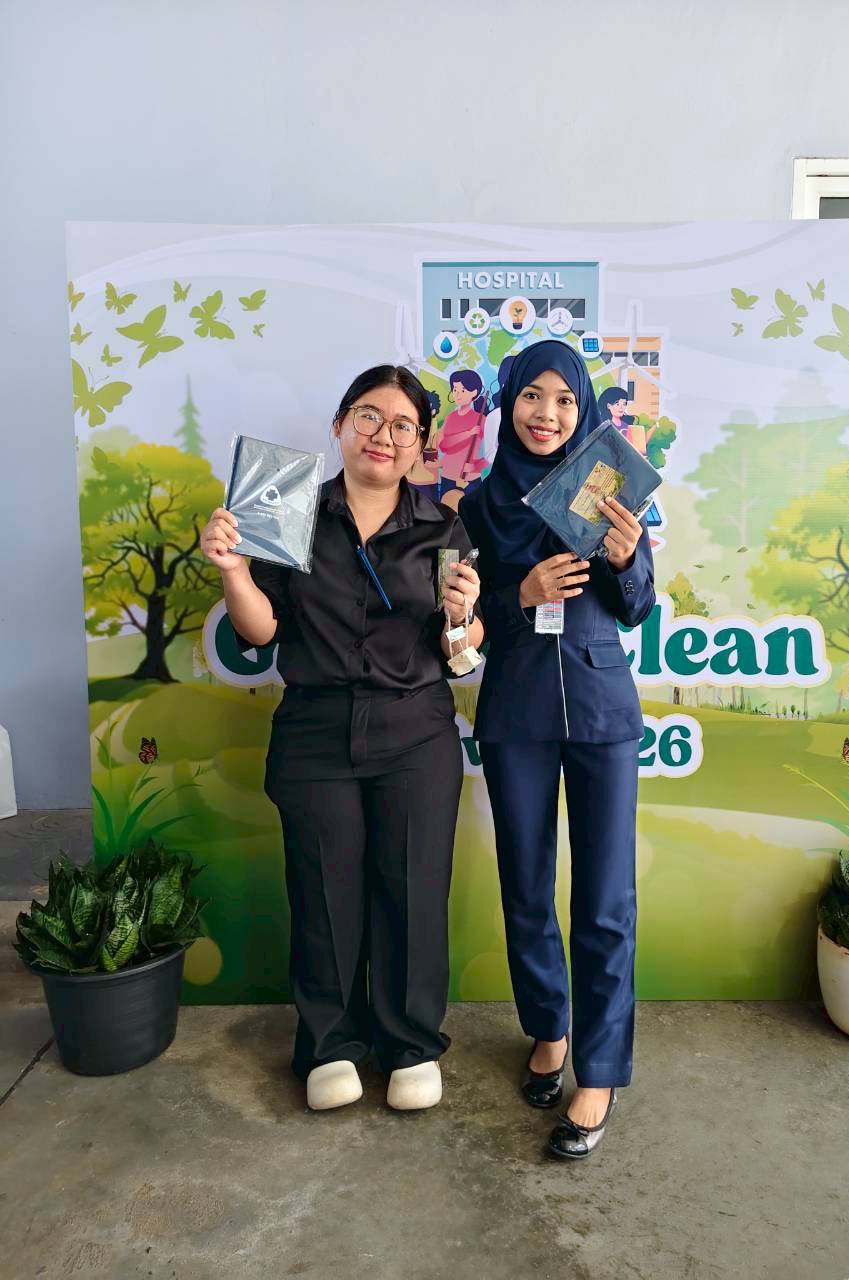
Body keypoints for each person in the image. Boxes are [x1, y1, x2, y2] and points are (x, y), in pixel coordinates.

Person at [201, 365, 483, 1114]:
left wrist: (463, 616)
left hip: (415, 730)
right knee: (324, 892)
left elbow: (461, 648)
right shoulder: (289, 511)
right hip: (316, 731)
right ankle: (328, 1044)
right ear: (339, 424)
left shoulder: (442, 528)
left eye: (402, 426)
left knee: (413, 891)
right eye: (368, 417)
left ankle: (411, 1044)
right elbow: (261, 631)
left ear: (421, 445)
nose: (383, 436)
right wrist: (233, 572)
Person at [459, 340, 656, 1160]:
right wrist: (521, 593)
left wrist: (627, 557)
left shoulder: (606, 486)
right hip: (516, 709)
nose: (547, 414)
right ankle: (548, 1030)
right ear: (509, 403)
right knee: (527, 890)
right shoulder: (478, 503)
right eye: (532, 396)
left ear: (584, 409)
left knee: (606, 901)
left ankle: (599, 1072)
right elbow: (467, 621)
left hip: (603, 707)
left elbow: (635, 607)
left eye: (565, 399)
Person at [436, 369, 488, 507]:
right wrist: (468, 433)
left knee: (472, 516)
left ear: (474, 392)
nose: (457, 394)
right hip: (448, 477)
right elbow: (444, 445)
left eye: (463, 390)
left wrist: (476, 466)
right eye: (455, 389)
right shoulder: (450, 418)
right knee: (447, 515)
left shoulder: (481, 420)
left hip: (470, 480)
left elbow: (494, 451)